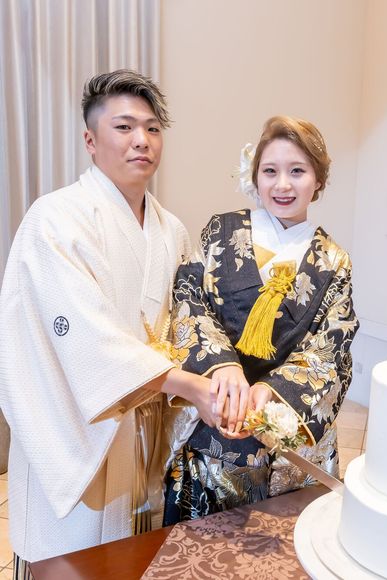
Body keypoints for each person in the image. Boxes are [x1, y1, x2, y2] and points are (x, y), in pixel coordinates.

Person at [0, 70, 216, 573]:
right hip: (84, 427)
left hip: (147, 430)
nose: (142, 140)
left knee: (135, 555)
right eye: (124, 127)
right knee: (71, 559)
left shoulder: (172, 230)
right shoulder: (55, 219)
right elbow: (85, 339)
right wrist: (187, 384)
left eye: (153, 128)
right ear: (90, 141)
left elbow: (191, 320)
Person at [163, 116, 359, 525]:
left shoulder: (333, 261)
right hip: (218, 411)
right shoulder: (221, 232)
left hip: (283, 422)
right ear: (255, 177)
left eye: (297, 171)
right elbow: (189, 299)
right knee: (204, 544)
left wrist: (271, 392)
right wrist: (223, 366)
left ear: (318, 180)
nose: (282, 185)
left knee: (282, 542)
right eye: (270, 171)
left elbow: (331, 348)